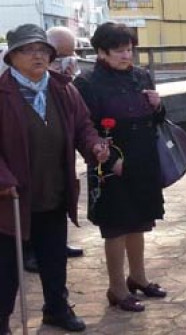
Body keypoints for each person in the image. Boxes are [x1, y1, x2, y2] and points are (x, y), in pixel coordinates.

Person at [0, 23, 109, 333]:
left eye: (43, 50)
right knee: (6, 267)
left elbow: (83, 127)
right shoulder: (2, 93)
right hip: (11, 198)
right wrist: (3, 179)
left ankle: (56, 310)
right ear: (12, 57)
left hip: (53, 190)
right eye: (28, 50)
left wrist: (94, 146)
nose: (38, 56)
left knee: (54, 259)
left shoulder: (63, 89)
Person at [73, 21, 167, 313]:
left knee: (139, 220)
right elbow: (82, 127)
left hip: (142, 158)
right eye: (118, 51)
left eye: (129, 50)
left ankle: (138, 277)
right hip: (108, 160)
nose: (126, 56)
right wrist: (110, 161)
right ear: (101, 52)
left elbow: (158, 121)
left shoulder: (141, 76)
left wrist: (158, 106)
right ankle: (117, 288)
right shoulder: (87, 83)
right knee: (116, 225)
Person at [19, 26, 86, 275]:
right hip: (23, 163)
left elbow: (81, 122)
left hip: (56, 160)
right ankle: (30, 251)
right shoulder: (9, 83)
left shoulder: (63, 83)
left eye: (70, 55)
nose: (64, 60)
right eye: (60, 55)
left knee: (56, 198)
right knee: (30, 205)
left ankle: (55, 246)